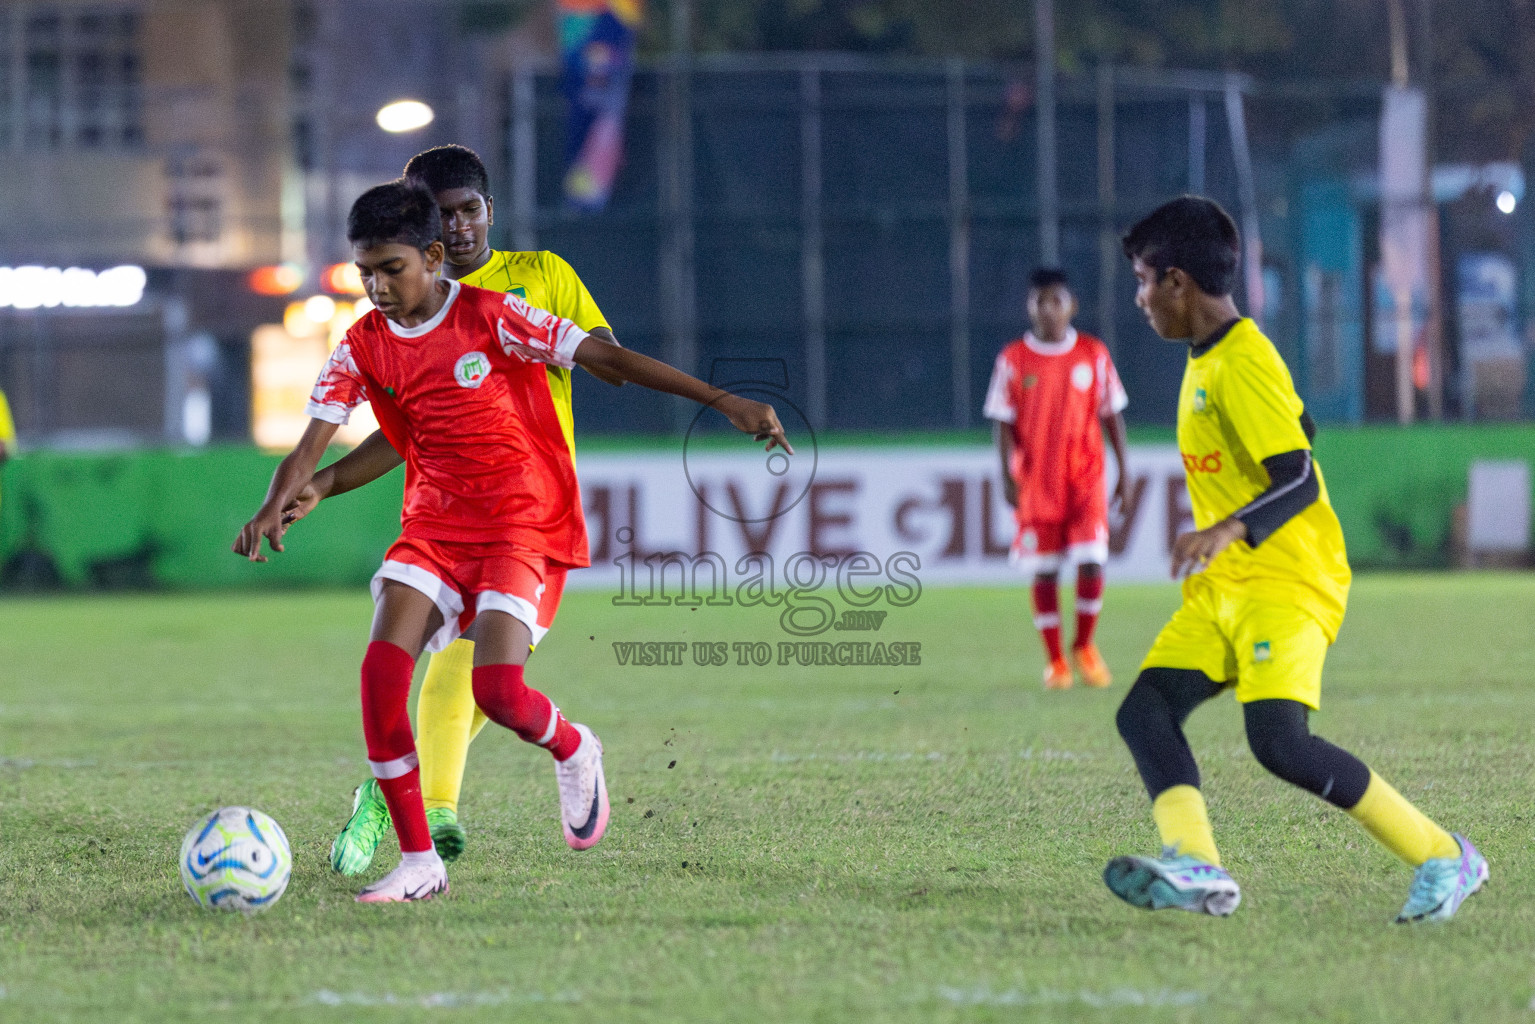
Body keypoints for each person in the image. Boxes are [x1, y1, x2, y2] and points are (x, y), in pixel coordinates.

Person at [234, 180, 790, 902]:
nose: (376, 287)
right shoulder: (363, 344)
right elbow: (310, 442)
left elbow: (609, 360)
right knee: (380, 677)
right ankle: (418, 862)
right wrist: (275, 502)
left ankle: (573, 745)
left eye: (391, 269)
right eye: (364, 272)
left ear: (432, 258)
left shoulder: (496, 317)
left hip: (521, 523)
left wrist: (727, 402)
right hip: (433, 526)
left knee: (497, 692)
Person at [1103, 195, 1485, 922]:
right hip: (1225, 589)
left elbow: (1299, 476)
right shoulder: (1215, 357)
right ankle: (1196, 866)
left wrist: (1226, 529)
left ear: (1178, 282)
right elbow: (1297, 426)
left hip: (1284, 578)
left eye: (1144, 279)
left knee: (1278, 743)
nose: (1140, 297)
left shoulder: (1239, 360)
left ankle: (1443, 854)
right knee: (1146, 712)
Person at [318, 144, 625, 875]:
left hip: (530, 513)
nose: (457, 229)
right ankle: (431, 814)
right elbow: (403, 436)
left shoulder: (540, 277)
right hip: (448, 520)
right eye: (440, 215)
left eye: (468, 211)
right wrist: (325, 482)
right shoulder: (396, 316)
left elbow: (603, 353)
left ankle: (393, 796)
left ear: (489, 211)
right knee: (461, 674)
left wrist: (530, 344)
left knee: (482, 683)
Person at [983, 268, 1130, 690]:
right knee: (1044, 570)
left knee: (1092, 558)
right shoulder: (1013, 359)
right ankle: (1055, 663)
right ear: (1029, 307)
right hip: (1036, 481)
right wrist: (1006, 476)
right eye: (1039, 302)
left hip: (1085, 476)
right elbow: (1002, 422)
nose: (1048, 309)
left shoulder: (1093, 353)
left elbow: (1112, 414)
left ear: (1072, 306)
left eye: (1056, 301)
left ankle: (1084, 646)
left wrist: (1126, 470)